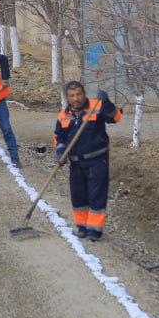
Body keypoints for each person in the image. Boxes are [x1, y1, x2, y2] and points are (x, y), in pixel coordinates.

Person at [55, 81, 124, 241]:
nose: (76, 98)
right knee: (78, 196)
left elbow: (116, 117)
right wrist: (60, 152)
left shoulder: (96, 106)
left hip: (97, 161)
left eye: (79, 94)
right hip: (76, 163)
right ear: (67, 97)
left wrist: (107, 102)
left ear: (84, 94)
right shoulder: (63, 115)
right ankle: (82, 227)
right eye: (72, 96)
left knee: (96, 195)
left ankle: (95, 231)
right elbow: (59, 137)